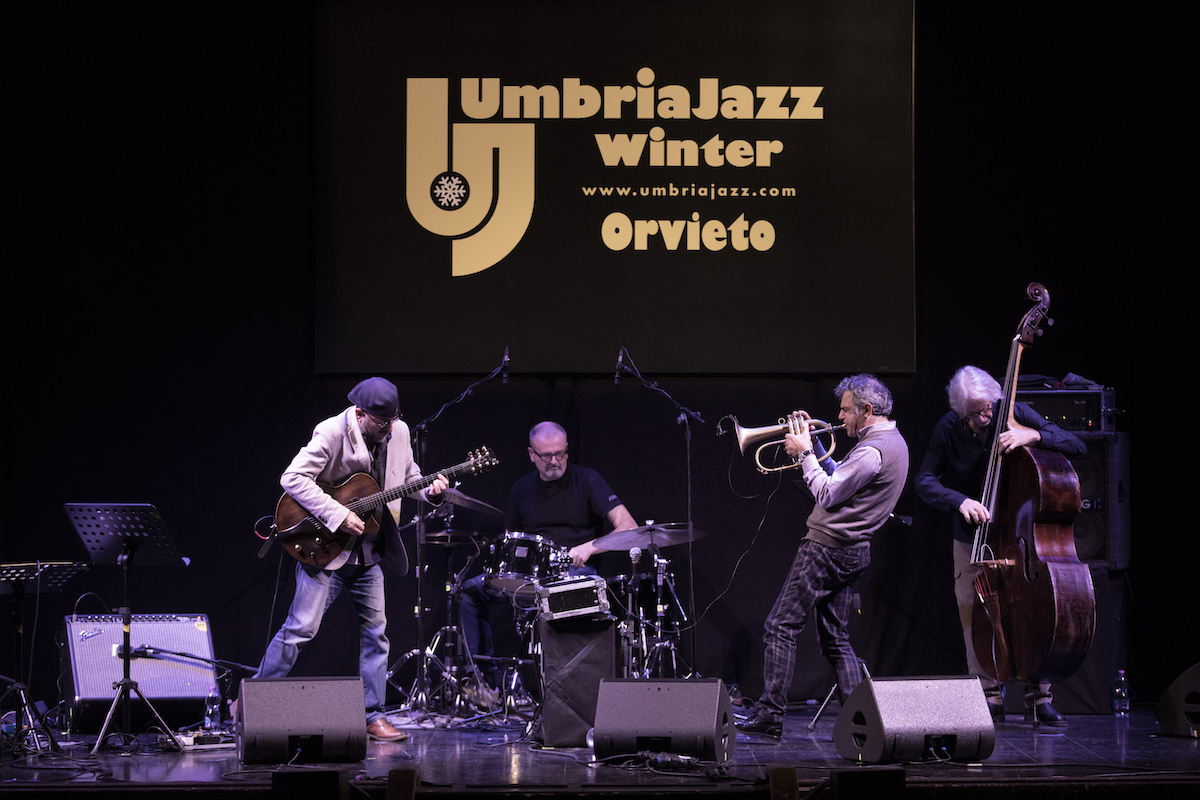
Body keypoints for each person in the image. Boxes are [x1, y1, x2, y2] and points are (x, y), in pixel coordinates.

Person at [253, 377, 448, 742]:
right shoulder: (331, 432)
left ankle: (373, 715)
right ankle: (254, 703)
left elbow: (409, 478)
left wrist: (432, 492)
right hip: (326, 549)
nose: (388, 429)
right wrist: (337, 514)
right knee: (300, 630)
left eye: (392, 420)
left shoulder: (399, 432)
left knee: (377, 634)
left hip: (369, 552)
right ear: (360, 414)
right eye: (381, 422)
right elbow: (293, 478)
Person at [737, 374, 909, 741]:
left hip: (826, 549)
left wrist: (803, 454)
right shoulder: (893, 443)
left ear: (866, 409)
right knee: (836, 639)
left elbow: (827, 495)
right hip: (853, 552)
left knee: (779, 626)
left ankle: (770, 715)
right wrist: (813, 444)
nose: (840, 417)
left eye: (846, 411)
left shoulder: (872, 451)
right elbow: (843, 481)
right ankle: (861, 720)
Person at [915, 365, 1085, 727]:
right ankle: (988, 695)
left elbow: (1078, 445)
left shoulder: (1012, 413)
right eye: (977, 413)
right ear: (961, 412)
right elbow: (925, 481)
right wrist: (959, 500)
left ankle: (1039, 697)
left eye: (989, 408)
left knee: (1036, 611)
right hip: (973, 538)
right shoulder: (948, 427)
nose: (987, 417)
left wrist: (1033, 435)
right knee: (974, 615)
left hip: (1021, 536)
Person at [459, 421, 638, 695]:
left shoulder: (588, 479)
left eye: (560, 453)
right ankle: (482, 683)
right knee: (470, 592)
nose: (554, 461)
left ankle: (580, 689)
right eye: (546, 455)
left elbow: (629, 527)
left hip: (575, 572)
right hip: (530, 575)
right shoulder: (522, 488)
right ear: (532, 454)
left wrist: (588, 548)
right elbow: (511, 538)